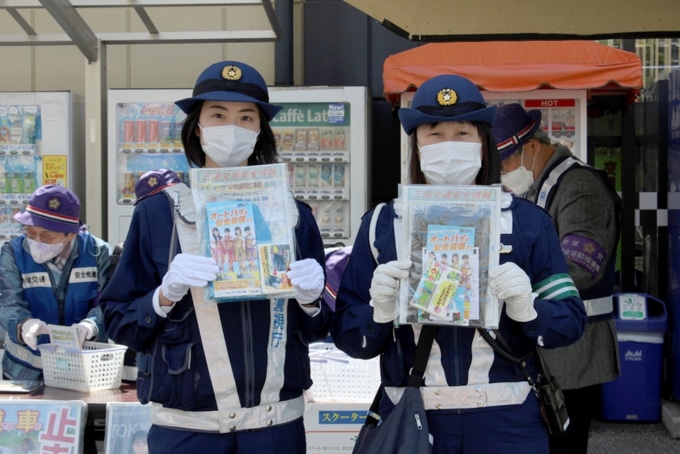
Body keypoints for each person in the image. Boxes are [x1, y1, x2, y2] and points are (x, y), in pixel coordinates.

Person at [329, 74, 587, 453]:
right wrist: (379, 313)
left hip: (508, 419)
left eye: (462, 134)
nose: (448, 146)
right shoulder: (381, 226)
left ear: (483, 144)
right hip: (413, 419)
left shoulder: (530, 222)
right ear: (416, 145)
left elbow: (570, 322)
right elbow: (351, 338)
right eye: (434, 134)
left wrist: (528, 309)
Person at [99, 60, 328, 453]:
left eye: (245, 118)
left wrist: (311, 302)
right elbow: (118, 322)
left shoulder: (292, 215)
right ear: (198, 127)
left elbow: (319, 328)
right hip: (186, 428)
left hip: (276, 427)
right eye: (218, 115)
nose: (232, 129)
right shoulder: (157, 213)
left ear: (260, 131)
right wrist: (164, 295)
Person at [493, 103, 622, 454]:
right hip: (544, 347)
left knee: (563, 444)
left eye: (504, 162)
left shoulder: (580, 186)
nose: (503, 172)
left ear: (532, 147)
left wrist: (513, 282)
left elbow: (581, 265)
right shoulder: (540, 183)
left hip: (573, 350)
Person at [0, 184, 112, 380]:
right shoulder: (12, 253)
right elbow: (8, 300)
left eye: (47, 236)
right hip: (24, 369)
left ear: (71, 234)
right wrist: (23, 324)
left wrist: (90, 325)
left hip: (83, 368)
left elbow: (108, 302)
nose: (36, 240)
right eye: (30, 232)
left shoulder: (97, 252)